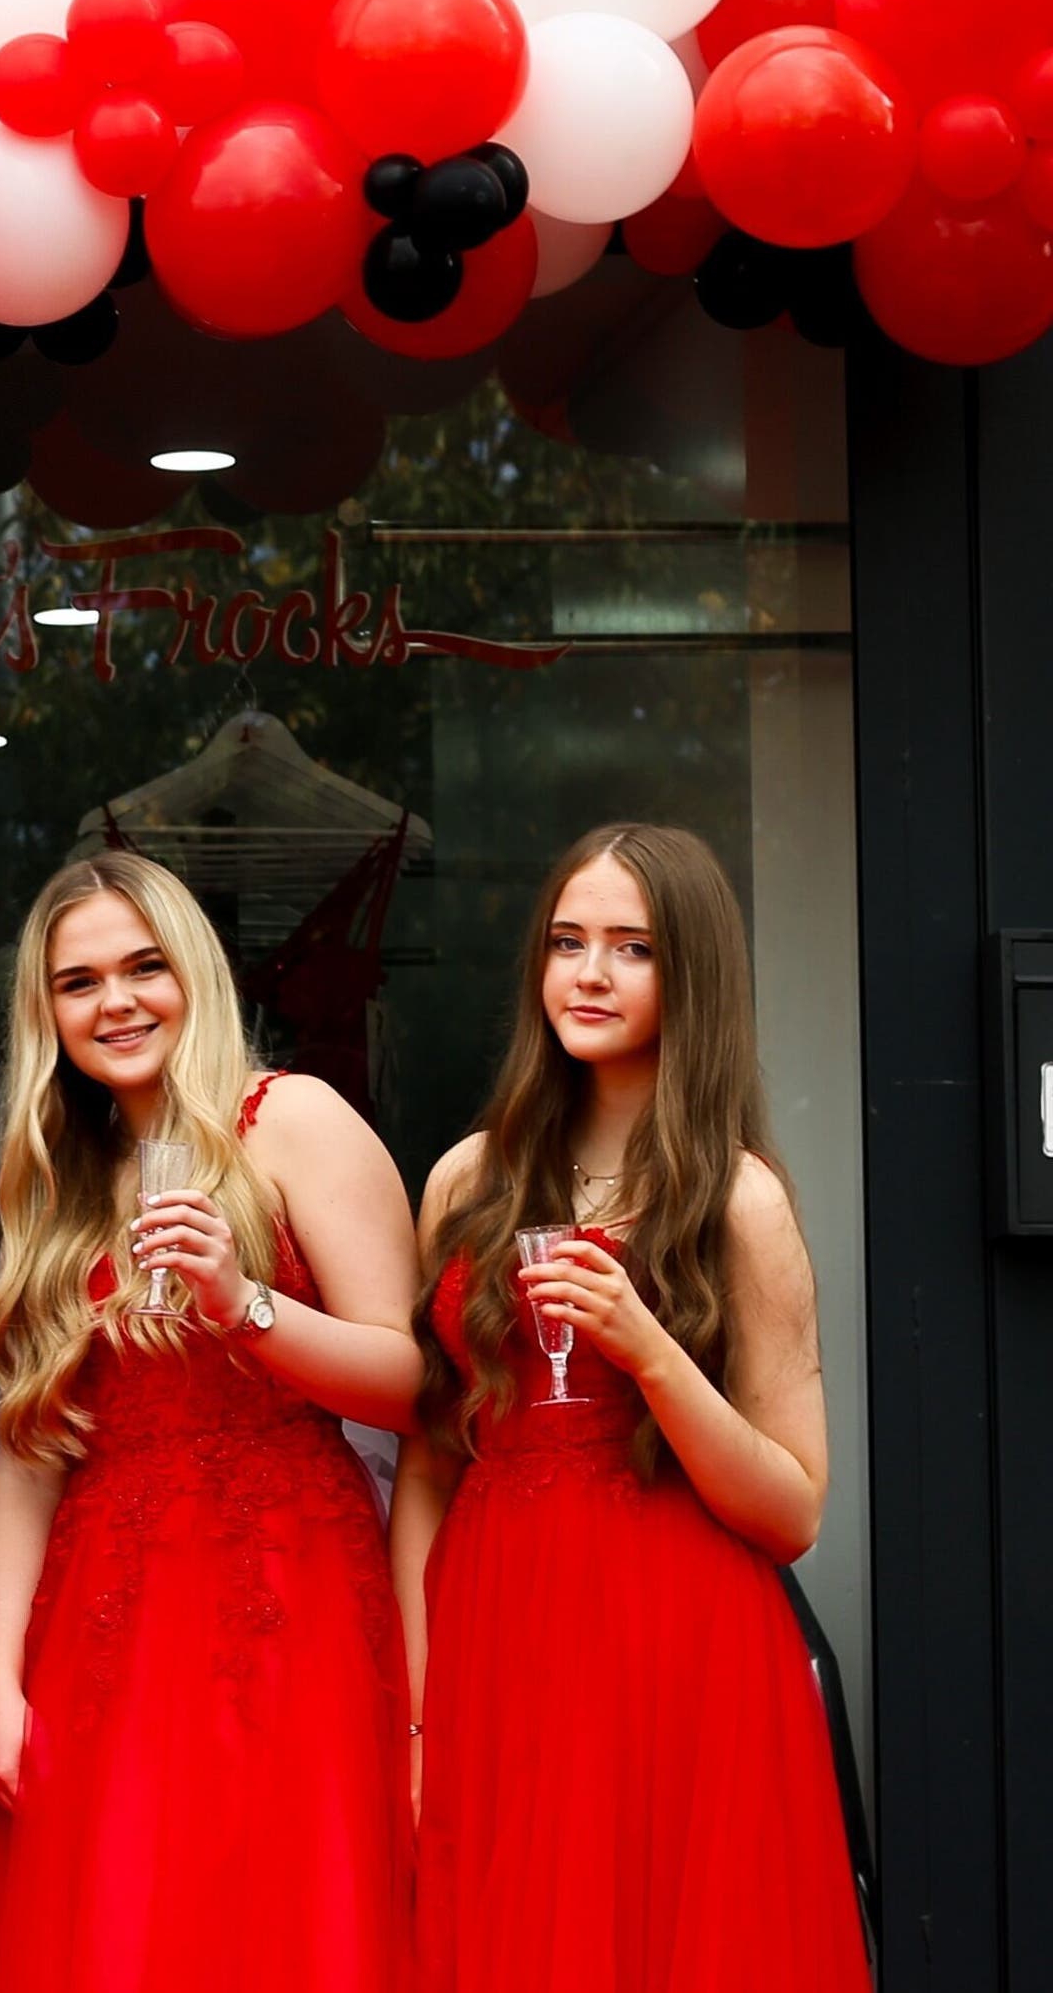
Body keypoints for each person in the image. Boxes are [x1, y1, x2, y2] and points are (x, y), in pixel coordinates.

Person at [394, 826, 866, 1991]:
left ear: (689, 974)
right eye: (567, 941)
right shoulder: (466, 1178)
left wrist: (648, 1347)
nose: (589, 972)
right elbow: (426, 1467)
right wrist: (412, 1710)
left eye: (632, 947)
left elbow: (794, 1506)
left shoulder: (737, 1197)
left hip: (679, 1647)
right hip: (496, 1635)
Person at [0, 849, 421, 1993]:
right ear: (47, 1011)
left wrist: (245, 1305)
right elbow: (30, 1457)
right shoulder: (63, 1179)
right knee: (120, 1932)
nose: (115, 1000)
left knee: (283, 1920)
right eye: (79, 981)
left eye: (144, 966)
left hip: (287, 1597)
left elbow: (411, 1382)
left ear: (195, 976)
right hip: (104, 1624)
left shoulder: (293, 1118)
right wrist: (1, 1691)